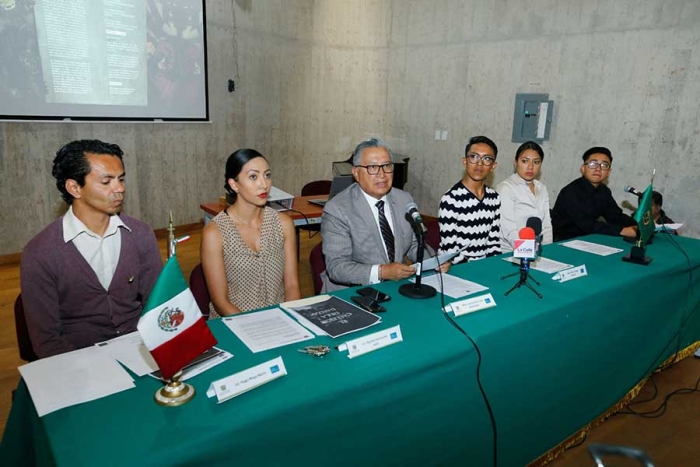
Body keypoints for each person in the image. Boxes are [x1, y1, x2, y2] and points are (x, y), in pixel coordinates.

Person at [20, 140, 163, 359]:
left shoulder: (140, 234)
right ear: (74, 188)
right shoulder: (40, 252)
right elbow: (47, 341)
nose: (120, 189)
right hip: (79, 358)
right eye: (106, 181)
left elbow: (158, 304)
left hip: (140, 348)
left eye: (121, 179)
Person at [201, 149, 300, 317]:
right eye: (253, 177)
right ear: (234, 184)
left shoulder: (283, 224)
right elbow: (221, 302)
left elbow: (292, 285)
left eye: (267, 175)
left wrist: (289, 320)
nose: (264, 184)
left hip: (280, 320)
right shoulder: (215, 233)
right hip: (234, 322)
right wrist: (255, 328)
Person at [321, 138, 419, 291]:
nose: (382, 174)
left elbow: (414, 244)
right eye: (372, 167)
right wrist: (382, 272)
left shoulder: (404, 199)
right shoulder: (337, 209)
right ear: (356, 173)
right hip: (352, 292)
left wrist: (433, 262)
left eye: (386, 166)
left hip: (394, 287)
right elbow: (337, 267)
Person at [439, 136, 501, 266]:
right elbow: (450, 250)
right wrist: (476, 269)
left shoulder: (494, 198)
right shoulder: (450, 199)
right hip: (455, 267)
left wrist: (495, 265)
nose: (480, 164)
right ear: (465, 161)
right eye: (474, 157)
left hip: (484, 266)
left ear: (493, 166)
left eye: (487, 159)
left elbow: (493, 242)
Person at [552, 146, 637, 241]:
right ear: (583, 168)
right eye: (593, 164)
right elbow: (586, 224)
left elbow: (615, 216)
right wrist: (622, 230)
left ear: (609, 172)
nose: (598, 169)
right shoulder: (570, 192)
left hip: (589, 240)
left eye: (604, 165)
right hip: (564, 242)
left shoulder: (604, 191)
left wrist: (638, 225)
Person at [497, 141, 553, 252]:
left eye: (536, 162)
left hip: (537, 250)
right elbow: (508, 229)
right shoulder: (506, 188)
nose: (530, 167)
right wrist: (526, 251)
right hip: (509, 252)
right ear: (515, 162)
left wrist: (548, 250)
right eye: (525, 161)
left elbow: (546, 225)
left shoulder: (541, 188)